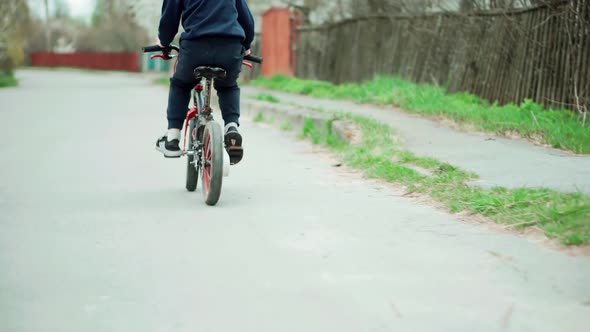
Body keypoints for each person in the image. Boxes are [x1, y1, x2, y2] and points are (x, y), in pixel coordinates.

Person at [155, 0, 255, 165]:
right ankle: (231, 127)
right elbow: (246, 19)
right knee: (228, 86)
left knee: (180, 84)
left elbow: (169, 18)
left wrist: (163, 42)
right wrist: (247, 45)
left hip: (195, 47)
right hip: (230, 47)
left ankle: (172, 138)